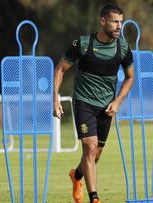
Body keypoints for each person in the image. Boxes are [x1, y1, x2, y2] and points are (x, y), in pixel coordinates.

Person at [53, 4, 134, 203]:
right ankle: (95, 198)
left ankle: (77, 175)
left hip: (106, 108)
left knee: (95, 156)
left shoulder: (123, 47)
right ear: (103, 21)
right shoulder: (82, 44)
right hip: (83, 103)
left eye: (121, 22)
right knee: (89, 148)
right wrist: (55, 98)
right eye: (115, 21)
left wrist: (117, 101)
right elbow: (60, 69)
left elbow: (130, 77)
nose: (119, 26)